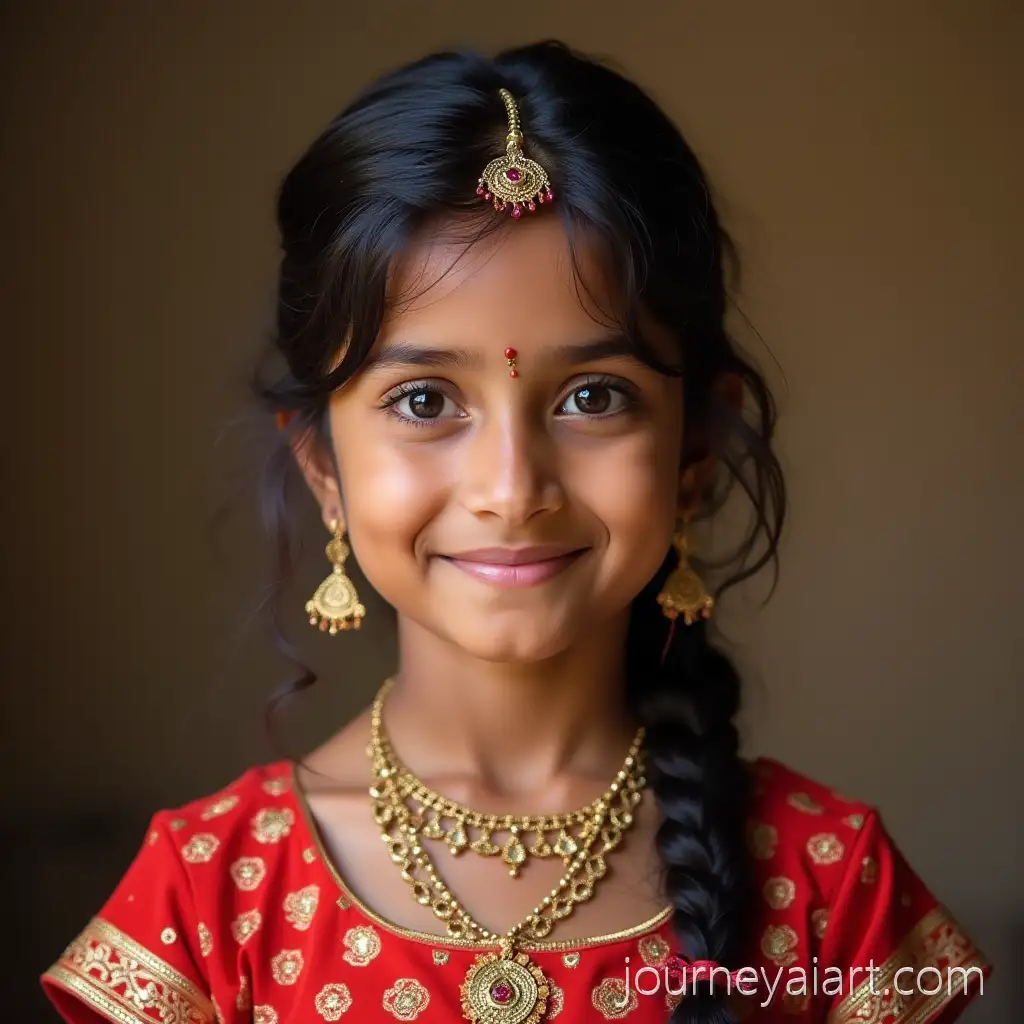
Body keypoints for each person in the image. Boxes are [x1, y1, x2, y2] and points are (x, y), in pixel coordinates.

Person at [41, 40, 990, 1024]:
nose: (510, 488)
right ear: (321, 463)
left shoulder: (831, 892)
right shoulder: (206, 903)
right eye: (422, 399)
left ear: (693, 451)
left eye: (592, 395)